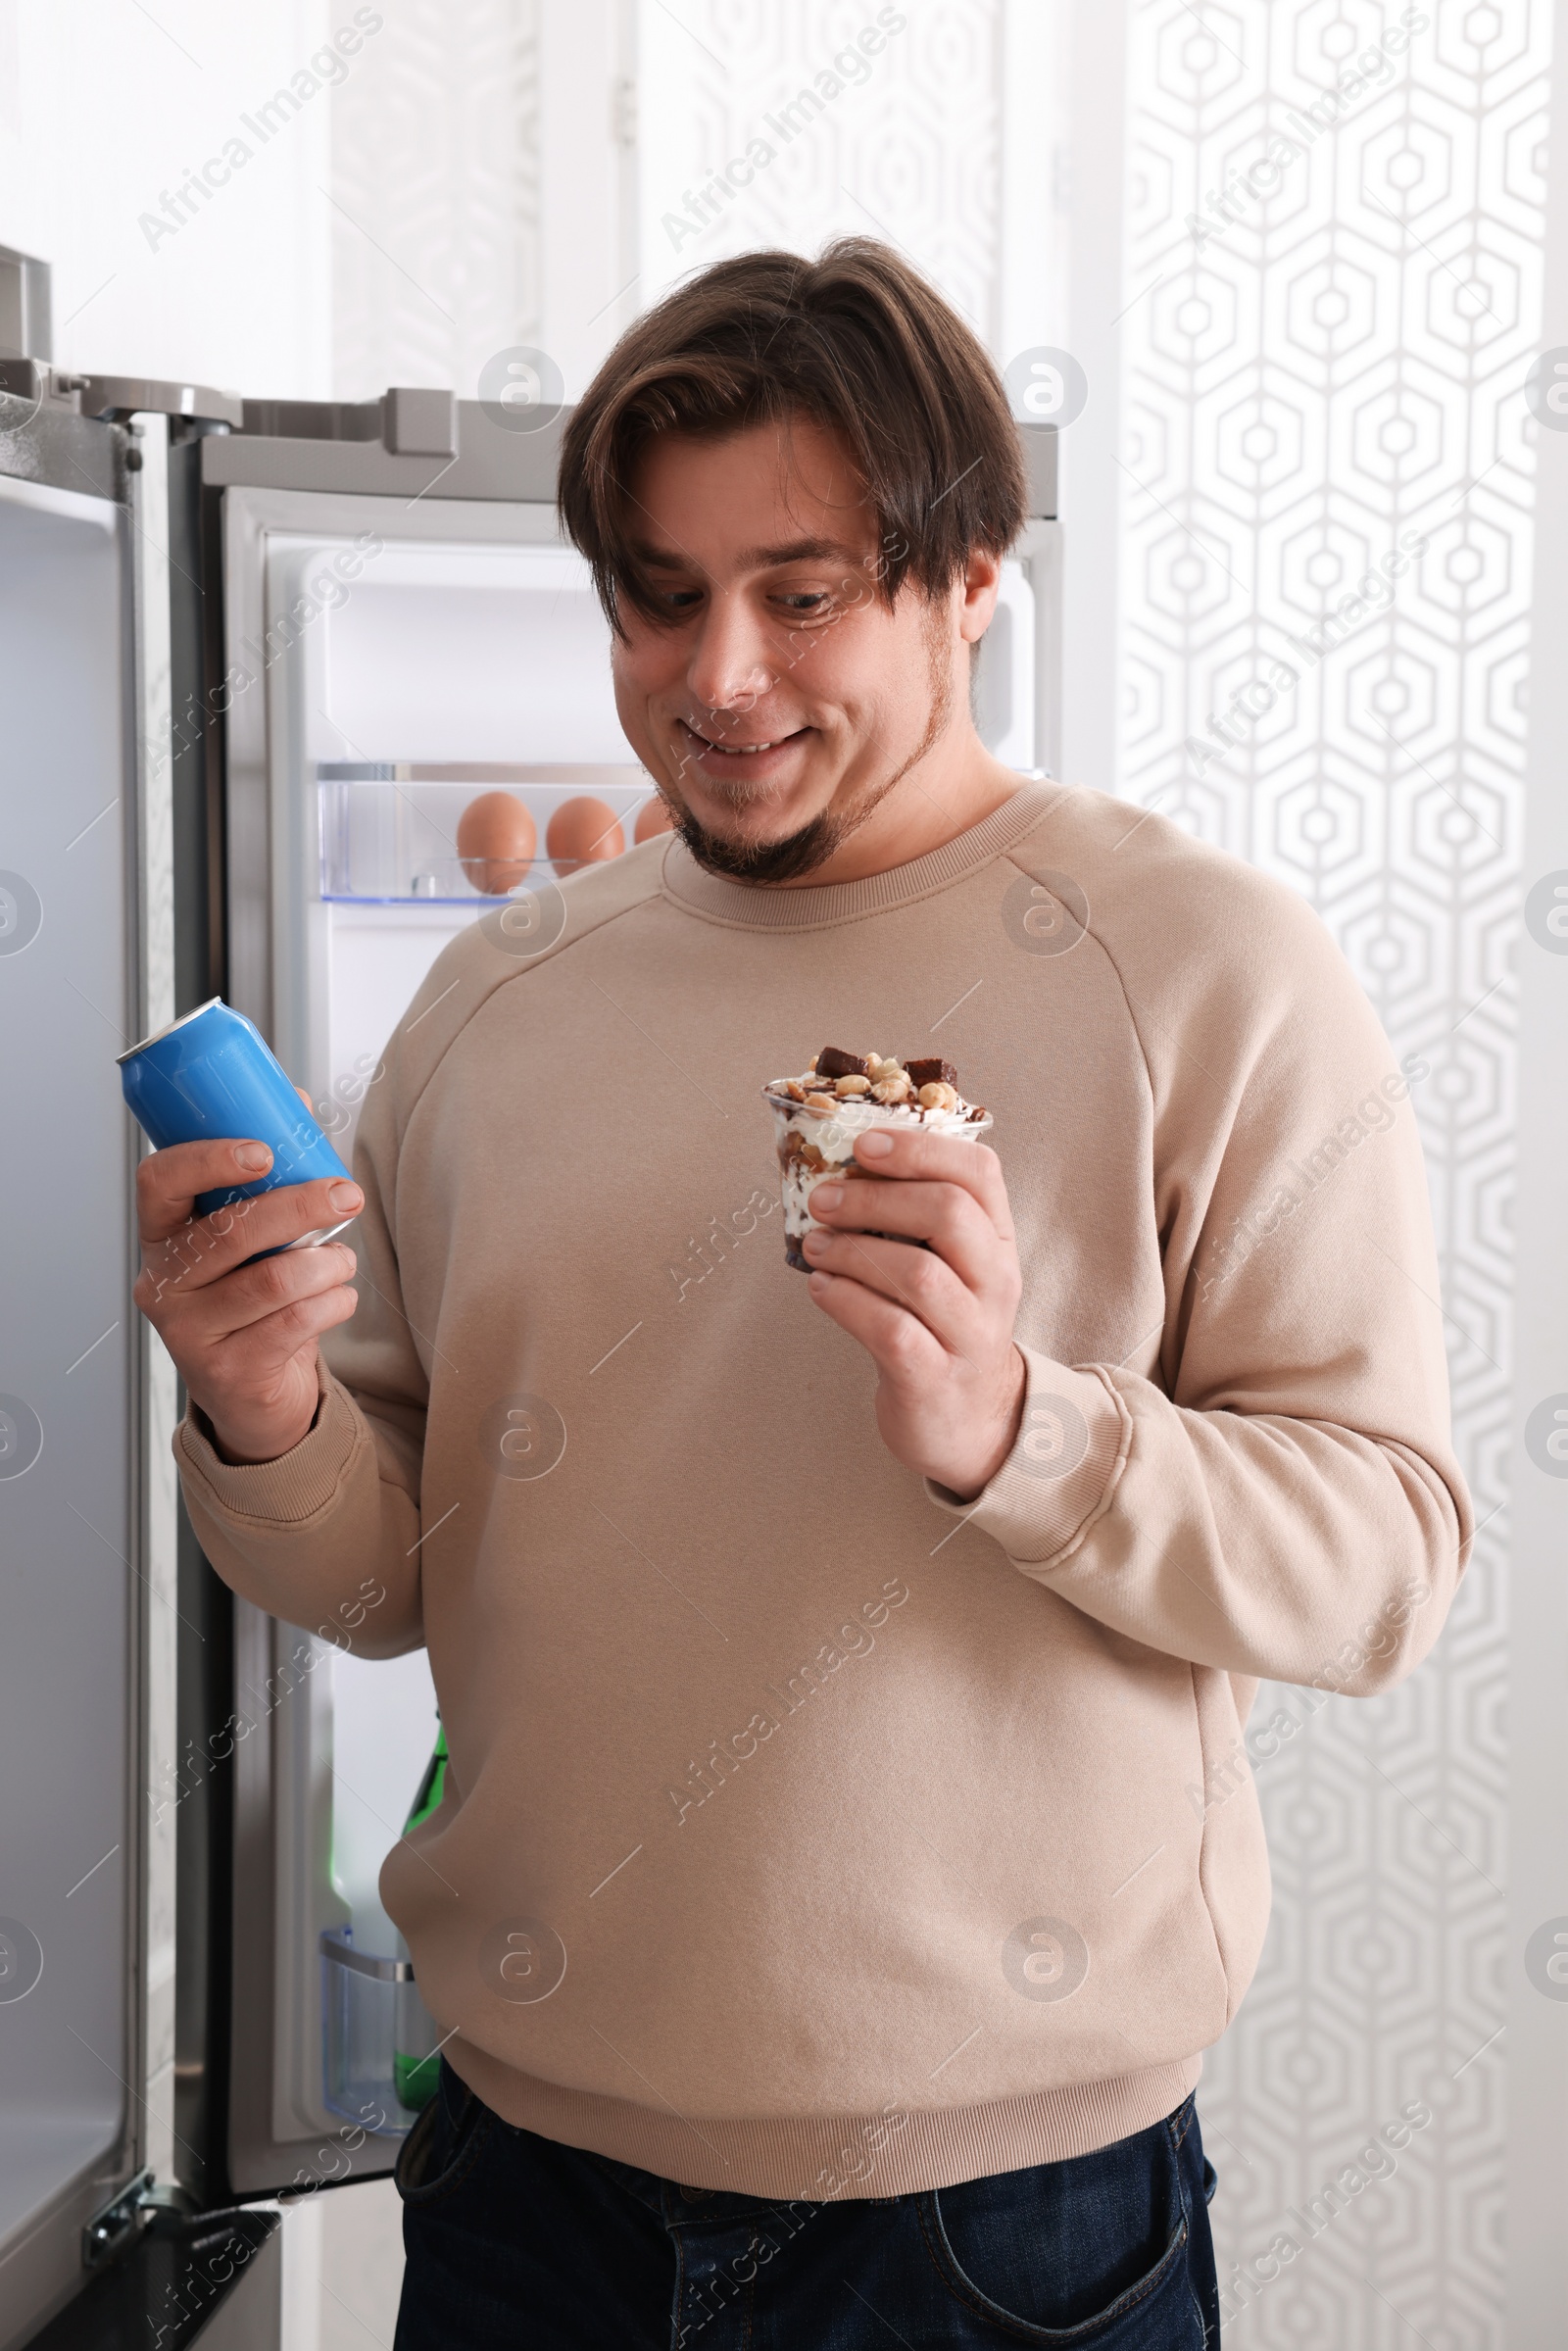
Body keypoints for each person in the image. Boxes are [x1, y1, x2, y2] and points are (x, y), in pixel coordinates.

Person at [133, 240, 1471, 2348]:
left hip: (995, 2235)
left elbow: (1382, 1565)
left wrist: (1019, 1432)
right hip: (520, 2197)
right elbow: (391, 1575)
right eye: (659, 596)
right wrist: (261, 1414)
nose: (720, 675)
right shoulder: (498, 1002)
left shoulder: (1205, 971)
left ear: (968, 578)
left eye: (804, 590)